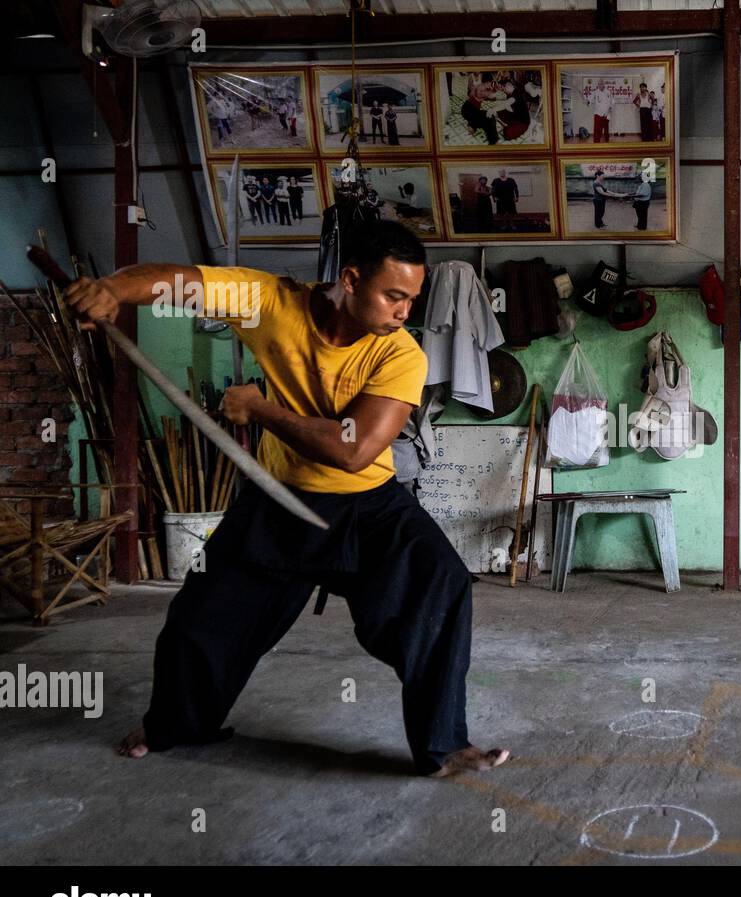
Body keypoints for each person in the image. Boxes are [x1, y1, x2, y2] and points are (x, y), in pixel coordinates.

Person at [58, 220, 509, 777]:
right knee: (200, 618)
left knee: (441, 584)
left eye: (412, 299)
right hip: (278, 499)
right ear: (350, 280)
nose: (403, 312)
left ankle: (444, 745)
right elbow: (179, 280)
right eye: (394, 295)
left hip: (368, 505)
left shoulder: (401, 354)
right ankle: (175, 724)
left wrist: (260, 409)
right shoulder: (270, 303)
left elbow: (353, 450)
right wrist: (112, 289)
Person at [461, 73, 500, 146]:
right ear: (484, 82)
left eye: (490, 83)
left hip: (473, 110)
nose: (489, 85)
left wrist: (494, 89)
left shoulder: (484, 88)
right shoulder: (480, 88)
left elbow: (491, 96)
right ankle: (494, 141)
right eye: (488, 83)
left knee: (487, 118)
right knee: (489, 117)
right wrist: (494, 90)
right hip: (468, 110)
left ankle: (472, 125)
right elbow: (491, 97)